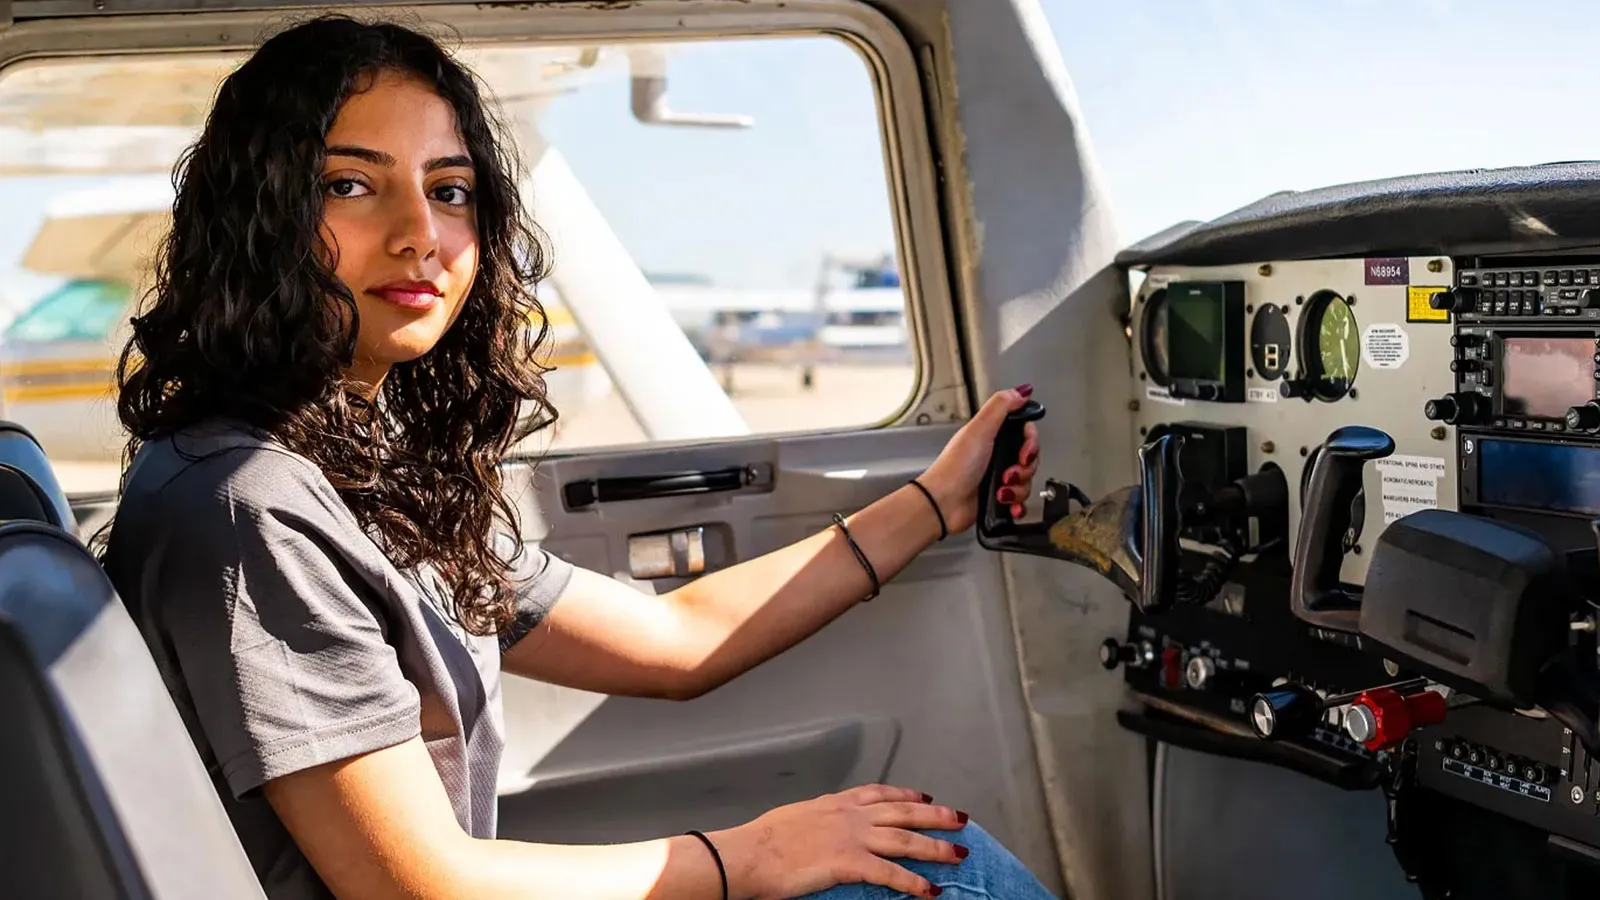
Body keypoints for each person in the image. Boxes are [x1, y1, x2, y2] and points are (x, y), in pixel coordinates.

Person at [100, 15, 1058, 900]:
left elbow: (677, 644)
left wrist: (936, 502)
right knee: (944, 873)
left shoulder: (360, 469)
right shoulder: (248, 504)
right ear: (255, 216)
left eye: (449, 191)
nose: (420, 236)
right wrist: (752, 857)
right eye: (349, 184)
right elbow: (416, 887)